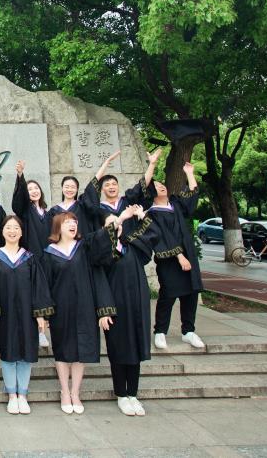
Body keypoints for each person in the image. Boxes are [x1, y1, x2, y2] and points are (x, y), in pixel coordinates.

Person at [40, 212, 115, 414]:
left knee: (81, 351)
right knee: (62, 350)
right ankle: (65, 391)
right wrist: (45, 314)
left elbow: (98, 276)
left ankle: (75, 392)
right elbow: (44, 285)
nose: (72, 224)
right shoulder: (49, 253)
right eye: (67, 222)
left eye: (74, 221)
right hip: (61, 309)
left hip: (85, 307)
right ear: (58, 227)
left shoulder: (85, 249)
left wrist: (103, 310)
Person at [0, 215, 54, 415]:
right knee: (8, 352)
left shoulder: (29, 258)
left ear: (21, 232)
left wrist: (40, 315)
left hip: (27, 313)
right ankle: (11, 395)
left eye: (16, 227)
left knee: (26, 353)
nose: (12, 231)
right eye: (8, 227)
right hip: (5, 313)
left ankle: (22, 394)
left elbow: (38, 287)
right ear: (2, 231)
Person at [93, 204, 153, 416]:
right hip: (115, 307)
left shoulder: (132, 246)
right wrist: (104, 310)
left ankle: (133, 394)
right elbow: (99, 281)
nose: (115, 227)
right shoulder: (102, 251)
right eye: (109, 224)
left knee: (136, 348)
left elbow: (153, 235)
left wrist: (141, 215)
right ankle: (121, 394)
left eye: (117, 224)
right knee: (118, 350)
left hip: (137, 304)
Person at [150, 161, 205, 350]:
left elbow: (191, 201)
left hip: (188, 254)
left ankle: (188, 331)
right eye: (156, 186)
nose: (161, 186)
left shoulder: (175, 205)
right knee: (168, 294)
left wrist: (189, 173)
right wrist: (179, 257)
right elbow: (162, 236)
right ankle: (160, 331)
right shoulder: (151, 213)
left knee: (191, 293)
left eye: (161, 184)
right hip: (169, 260)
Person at [11, 160, 50, 257]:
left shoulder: (47, 214)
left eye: (36, 188)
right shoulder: (25, 209)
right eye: (30, 189)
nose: (34, 191)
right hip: (31, 256)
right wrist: (20, 175)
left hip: (47, 256)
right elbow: (20, 197)